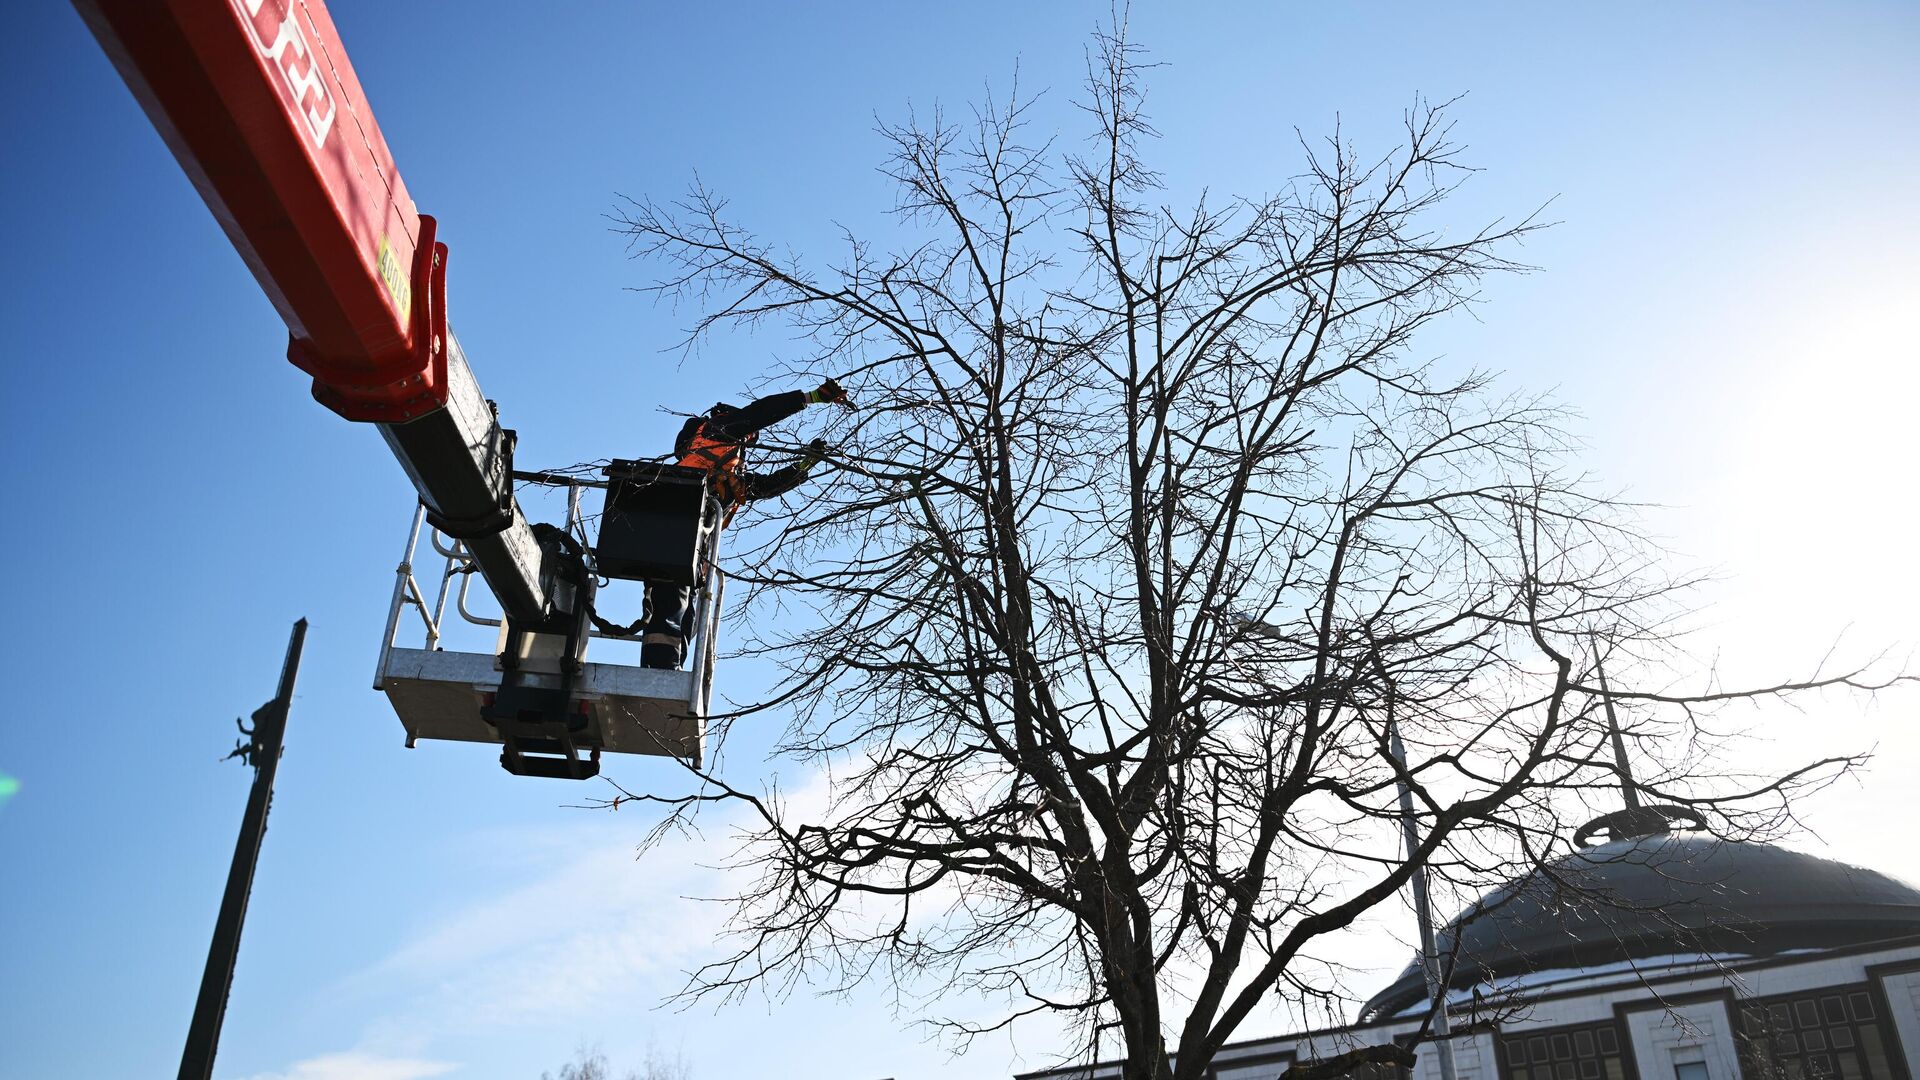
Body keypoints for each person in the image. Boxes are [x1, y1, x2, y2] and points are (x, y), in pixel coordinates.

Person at [640, 377, 851, 669]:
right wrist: (812, 397)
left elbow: (764, 486)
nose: (750, 440)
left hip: (687, 541)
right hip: (676, 527)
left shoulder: (724, 471)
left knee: (684, 613)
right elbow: (762, 411)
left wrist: (805, 465)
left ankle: (669, 669)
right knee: (671, 607)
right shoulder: (718, 430)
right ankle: (660, 671)